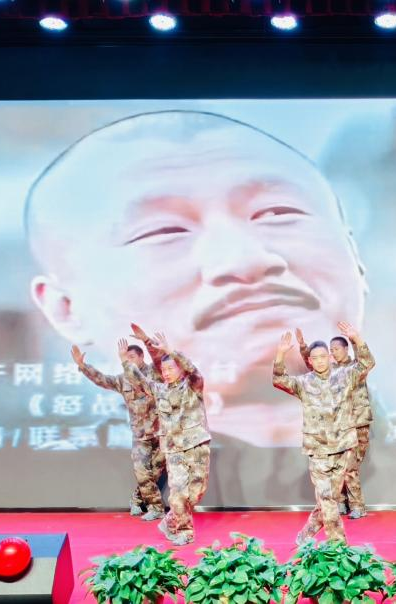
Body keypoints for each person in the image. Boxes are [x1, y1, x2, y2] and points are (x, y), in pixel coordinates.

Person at [25, 110, 367, 506]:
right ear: (66, 309)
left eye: (278, 213)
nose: (244, 259)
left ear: (353, 252)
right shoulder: (49, 491)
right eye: (163, 231)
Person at [273, 322, 374, 544]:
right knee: (327, 498)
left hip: (343, 446)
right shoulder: (303, 383)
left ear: (329, 357)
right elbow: (279, 380)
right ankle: (337, 544)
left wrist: (357, 339)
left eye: (323, 357)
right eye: (315, 358)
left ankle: (308, 532)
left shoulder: (345, 376)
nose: (319, 361)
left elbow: (367, 363)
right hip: (318, 448)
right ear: (309, 361)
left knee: (331, 497)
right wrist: (280, 354)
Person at [119, 332, 212, 546]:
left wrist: (170, 351)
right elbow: (140, 381)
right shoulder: (159, 389)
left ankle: (170, 521)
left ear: (180, 369)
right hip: (173, 450)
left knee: (196, 492)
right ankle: (184, 531)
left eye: (171, 368)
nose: (167, 373)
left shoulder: (193, 385)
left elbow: (192, 369)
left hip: (196, 445)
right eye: (164, 370)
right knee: (178, 493)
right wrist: (125, 361)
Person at [71, 343, 164, 520]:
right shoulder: (123, 380)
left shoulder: (155, 372)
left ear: (141, 357)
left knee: (155, 472)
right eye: (126, 358)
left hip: (161, 433)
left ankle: (137, 499)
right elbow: (103, 379)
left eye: (132, 357)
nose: (128, 361)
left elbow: (161, 360)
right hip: (140, 434)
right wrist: (83, 366)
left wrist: (147, 340)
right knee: (142, 471)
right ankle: (156, 507)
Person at [295, 329, 373, 519]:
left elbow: (366, 360)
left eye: (336, 349)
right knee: (341, 468)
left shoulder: (352, 368)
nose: (333, 353)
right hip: (337, 426)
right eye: (331, 350)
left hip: (358, 421)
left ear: (346, 349)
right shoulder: (330, 371)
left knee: (351, 467)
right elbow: (312, 363)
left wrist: (355, 338)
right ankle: (341, 502)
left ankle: (357, 505)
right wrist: (303, 347)